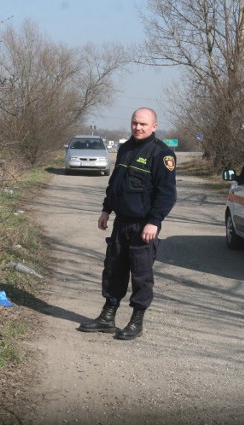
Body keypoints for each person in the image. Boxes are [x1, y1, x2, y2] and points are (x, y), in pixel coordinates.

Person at [78, 108, 177, 340]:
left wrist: (154, 222)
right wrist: (106, 209)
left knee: (141, 275)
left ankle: (136, 321)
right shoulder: (125, 148)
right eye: (134, 123)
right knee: (114, 269)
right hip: (121, 222)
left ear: (154, 126)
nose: (138, 128)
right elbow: (115, 184)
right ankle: (107, 317)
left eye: (143, 124)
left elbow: (167, 194)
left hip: (144, 227)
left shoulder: (162, 154)